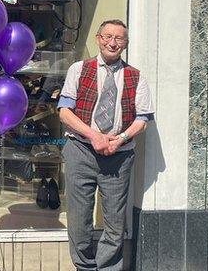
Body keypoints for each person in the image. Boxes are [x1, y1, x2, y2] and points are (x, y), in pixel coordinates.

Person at [57, 19, 154, 271]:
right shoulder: (79, 69)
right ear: (98, 39)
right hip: (80, 150)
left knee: (114, 223)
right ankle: (85, 267)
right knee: (79, 221)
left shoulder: (136, 76)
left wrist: (120, 138)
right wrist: (93, 135)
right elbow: (65, 112)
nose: (113, 42)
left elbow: (143, 119)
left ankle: (109, 268)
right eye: (108, 37)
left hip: (119, 157)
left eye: (119, 38)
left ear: (126, 44)